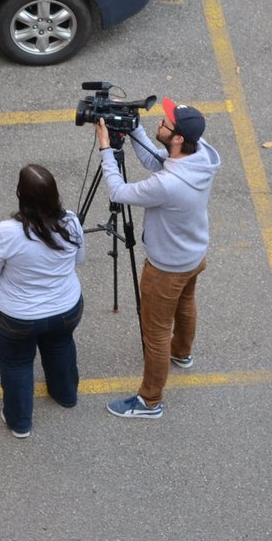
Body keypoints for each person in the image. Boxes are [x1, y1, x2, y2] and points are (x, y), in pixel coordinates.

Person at [95, 98, 221, 419]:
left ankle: (150, 401)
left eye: (166, 124)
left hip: (166, 268)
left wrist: (106, 150)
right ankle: (183, 353)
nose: (160, 123)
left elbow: (118, 192)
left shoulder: (168, 185)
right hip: (193, 255)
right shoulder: (200, 154)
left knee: (155, 333)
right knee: (186, 303)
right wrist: (133, 126)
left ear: (178, 138)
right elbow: (158, 160)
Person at [0, 165, 86, 438]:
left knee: (16, 363)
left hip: (17, 317)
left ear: (20, 196)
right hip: (66, 309)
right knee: (60, 346)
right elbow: (78, 259)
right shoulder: (71, 221)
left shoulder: (8, 232)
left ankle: (19, 422)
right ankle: (66, 395)